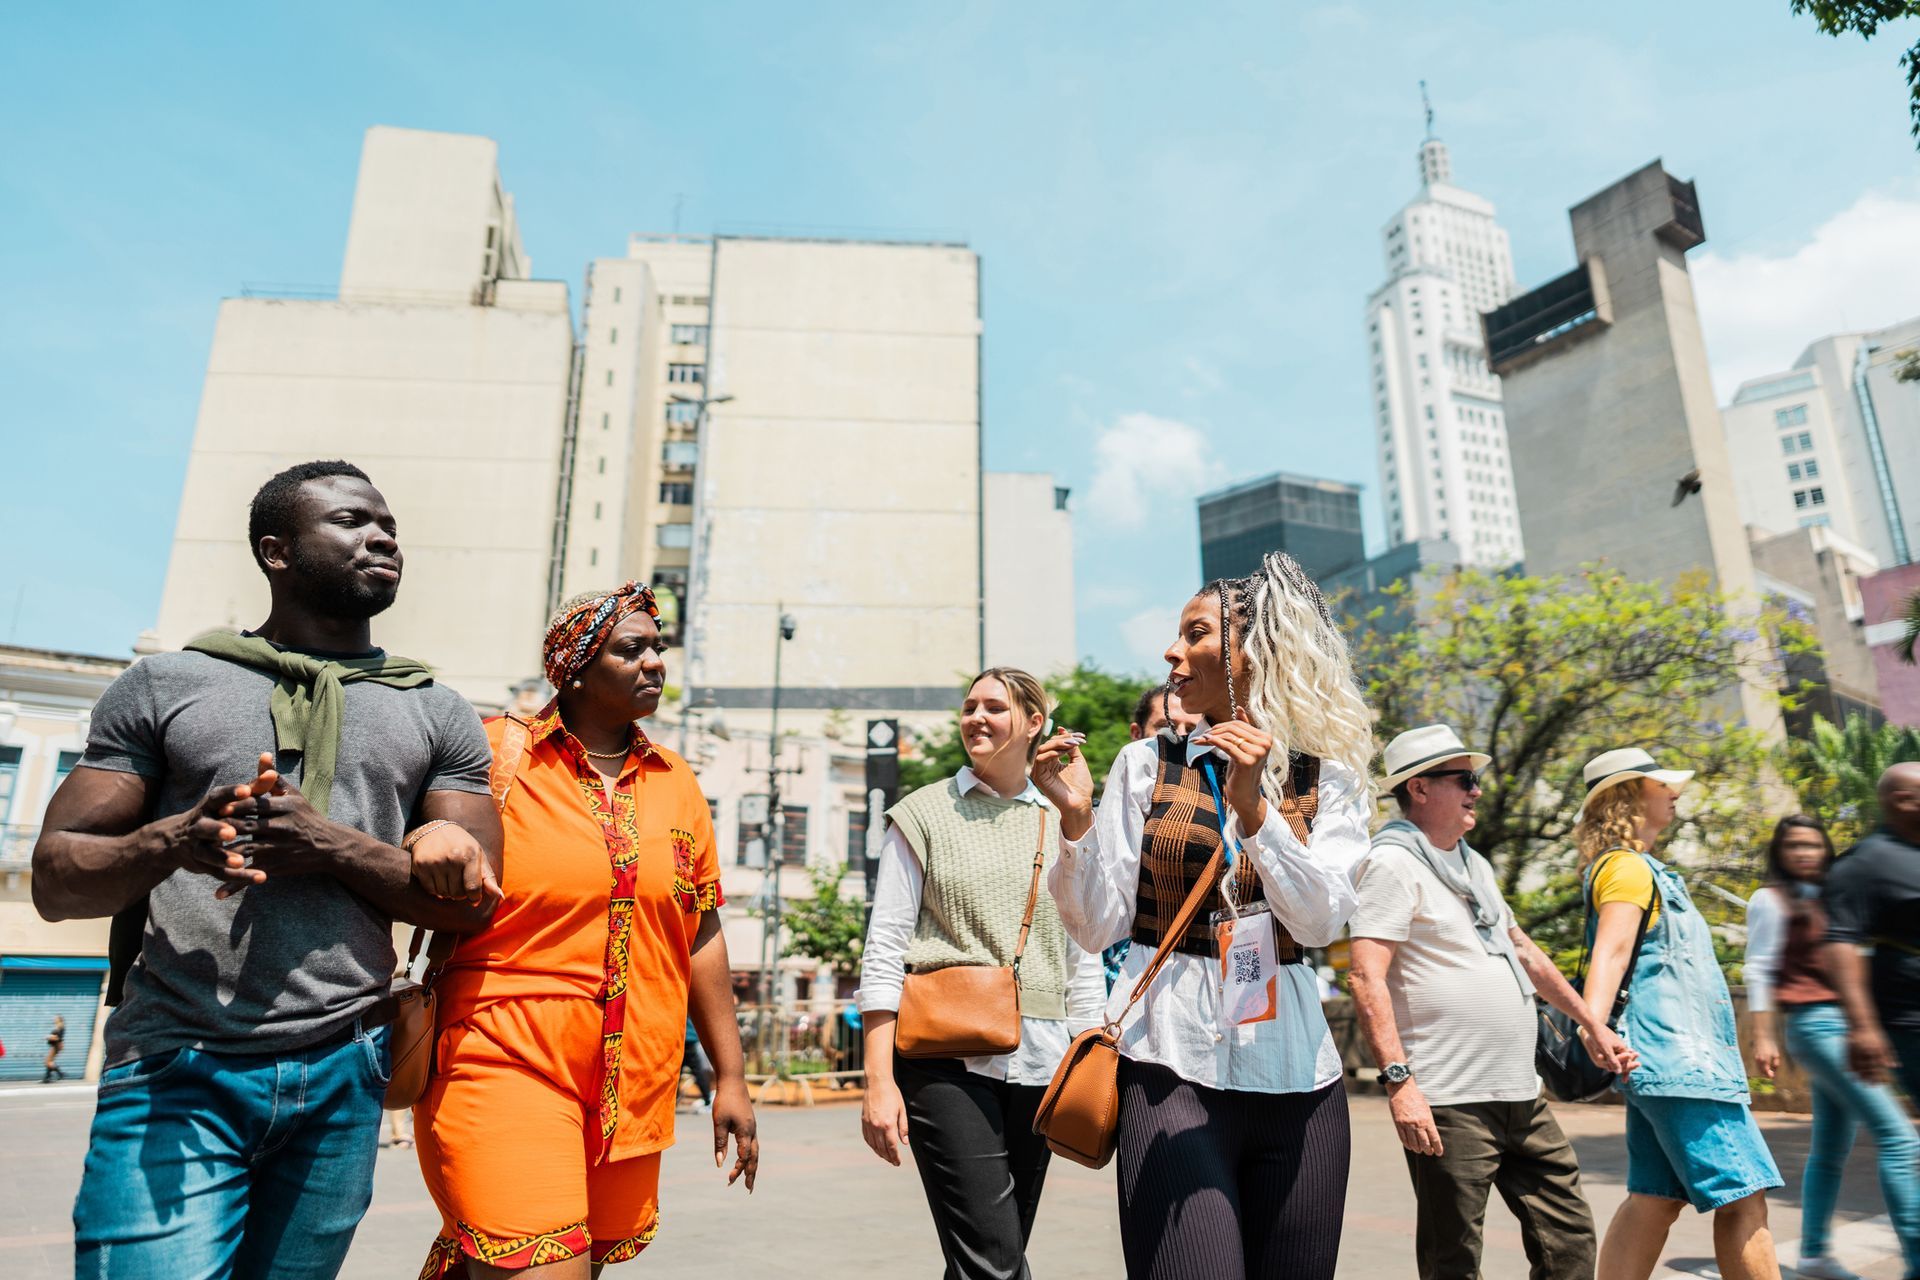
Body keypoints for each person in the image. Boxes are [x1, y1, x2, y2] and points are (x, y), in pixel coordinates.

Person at [33, 459, 502, 1280]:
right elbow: (56, 878)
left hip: (344, 1068)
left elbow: (472, 908)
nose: (383, 536)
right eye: (353, 521)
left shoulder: (435, 708)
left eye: (387, 524)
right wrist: (174, 839)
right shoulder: (168, 682)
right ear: (276, 551)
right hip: (178, 1068)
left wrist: (332, 845)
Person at [1034, 552, 1372, 1280]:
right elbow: (1095, 927)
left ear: (1253, 654)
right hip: (1168, 1065)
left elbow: (1319, 925)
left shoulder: (1329, 778)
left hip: (1299, 1081)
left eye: (1194, 634)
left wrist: (1256, 809)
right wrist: (1074, 821)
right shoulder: (1144, 765)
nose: (1171, 652)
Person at [412, 583, 755, 1278]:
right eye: (632, 649)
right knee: (543, 1263)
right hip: (502, 1050)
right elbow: (419, 833)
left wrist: (732, 1078)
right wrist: (428, 835)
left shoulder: (677, 782)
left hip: (634, 1080)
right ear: (573, 665)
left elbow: (701, 929)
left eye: (659, 648)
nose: (655, 662)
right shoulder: (496, 754)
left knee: (576, 1264)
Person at [1349, 724, 1635, 1280]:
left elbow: (1522, 949)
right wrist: (1399, 1083)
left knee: (1569, 1239)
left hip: (1519, 1092)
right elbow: (1366, 976)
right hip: (1449, 1101)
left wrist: (1591, 1025)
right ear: (1420, 789)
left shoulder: (1473, 865)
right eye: (1464, 779)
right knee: (1452, 1259)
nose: (1477, 790)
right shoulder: (1390, 863)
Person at [858, 667, 1105, 1280]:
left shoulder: (1064, 815)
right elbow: (884, 947)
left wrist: (1091, 1052)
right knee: (993, 1260)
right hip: (943, 1055)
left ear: (1034, 722)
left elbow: (1087, 944)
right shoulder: (920, 814)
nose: (977, 718)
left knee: (993, 1254)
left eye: (995, 707)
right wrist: (877, 1080)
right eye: (969, 706)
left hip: (1044, 1058)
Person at [1574, 748, 1782, 1280]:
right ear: (1628, 796)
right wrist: (1592, 1026)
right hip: (1680, 1064)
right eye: (1659, 783)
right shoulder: (1626, 867)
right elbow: (1613, 954)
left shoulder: (1642, 869)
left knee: (1656, 1197)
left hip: (1663, 1061)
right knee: (1743, 1196)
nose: (1674, 791)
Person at [1747, 814, 1919, 1280]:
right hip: (1819, 1025)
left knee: (1830, 1147)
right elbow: (1759, 969)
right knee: (1901, 1140)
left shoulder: (1836, 892)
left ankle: (1814, 1255)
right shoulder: (1770, 899)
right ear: (1779, 854)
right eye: (1793, 847)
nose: (1805, 854)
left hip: (1848, 1024)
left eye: (1813, 845)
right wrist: (1764, 1035)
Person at [1822, 763, 1920, 1112]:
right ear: (1904, 800)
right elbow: (1841, 944)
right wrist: (1862, 1028)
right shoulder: (1865, 864)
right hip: (1911, 1021)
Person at [1103, 685, 1205, 989]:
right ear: (1137, 734)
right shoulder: (1097, 820)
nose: (1182, 739)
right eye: (1167, 729)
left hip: (1179, 990)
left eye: (1194, 730)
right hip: (1110, 999)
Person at [683, 1017, 715, 1110]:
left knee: (697, 1072)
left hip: (686, 1039)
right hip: (689, 1039)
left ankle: (707, 1099)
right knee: (697, 1072)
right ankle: (707, 1098)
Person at [43, 1014, 67, 1083]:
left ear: (59, 1020)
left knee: (47, 1062)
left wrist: (48, 1037)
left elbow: (57, 1038)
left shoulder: (61, 1027)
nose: (54, 1019)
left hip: (56, 1046)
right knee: (50, 1061)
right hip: (56, 1046)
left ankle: (60, 1073)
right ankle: (47, 1078)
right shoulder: (60, 1027)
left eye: (55, 1018)